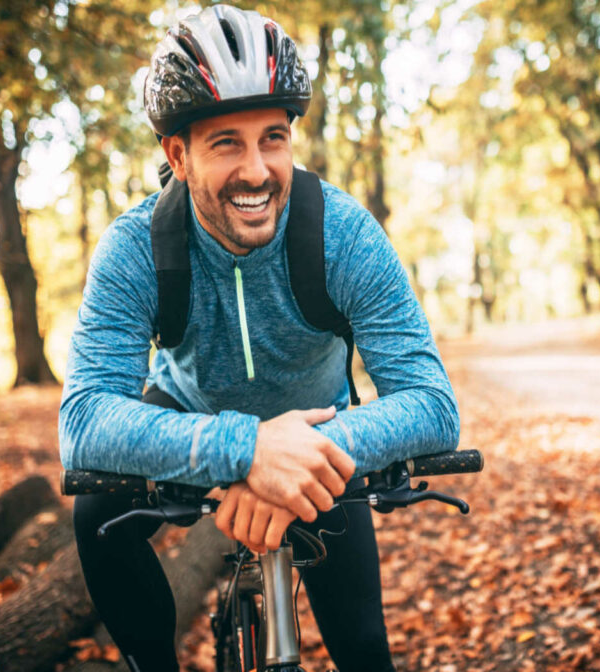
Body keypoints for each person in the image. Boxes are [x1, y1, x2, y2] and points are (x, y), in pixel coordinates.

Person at [58, 5, 459, 672]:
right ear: (177, 155)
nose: (257, 170)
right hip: (191, 413)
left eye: (272, 138)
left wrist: (294, 459)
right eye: (226, 144)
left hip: (321, 437)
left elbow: (432, 402)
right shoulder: (135, 247)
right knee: (96, 511)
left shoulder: (343, 233)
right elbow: (83, 421)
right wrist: (245, 451)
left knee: (364, 652)